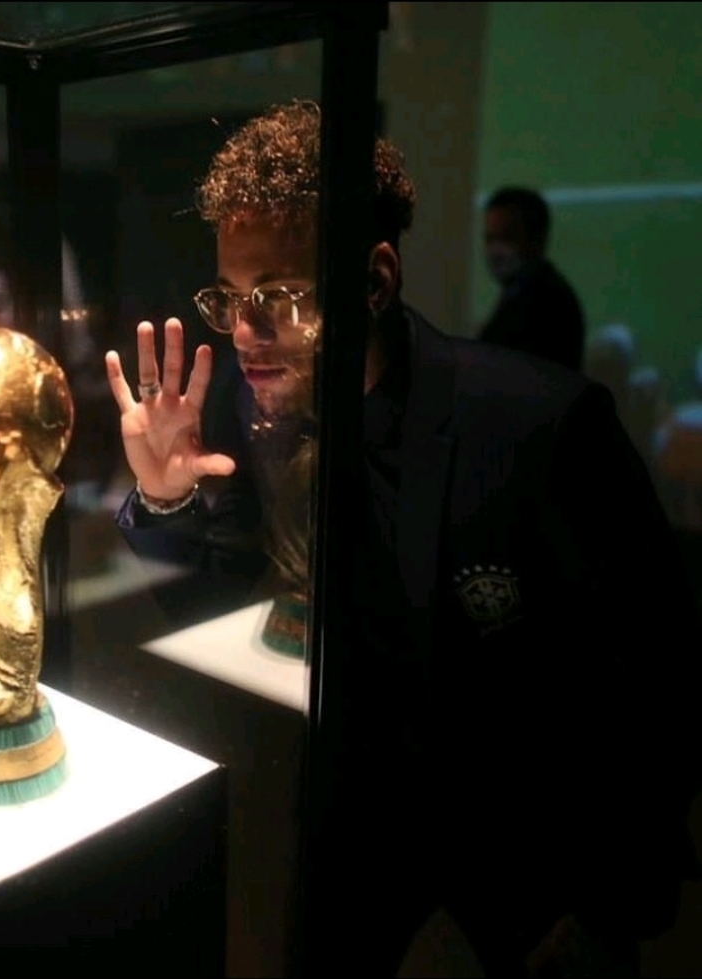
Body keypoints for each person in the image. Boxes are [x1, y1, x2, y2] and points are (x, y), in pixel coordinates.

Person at [104, 101, 702, 976]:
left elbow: (655, 670)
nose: (243, 333)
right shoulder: (240, 395)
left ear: (375, 280)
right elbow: (217, 593)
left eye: (278, 295)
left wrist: (605, 909)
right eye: (229, 298)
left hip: (522, 854)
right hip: (343, 823)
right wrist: (163, 499)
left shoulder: (535, 424)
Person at [479, 187, 586, 371]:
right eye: (490, 239)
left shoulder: (551, 305)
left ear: (536, 239)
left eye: (508, 237)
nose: (496, 251)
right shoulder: (520, 293)